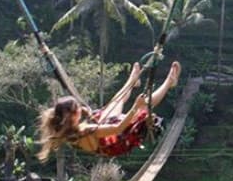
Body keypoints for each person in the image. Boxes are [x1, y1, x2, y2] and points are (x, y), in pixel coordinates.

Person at [37, 61, 181, 160]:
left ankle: (132, 82)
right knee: (143, 107)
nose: (81, 109)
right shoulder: (86, 129)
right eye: (78, 109)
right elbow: (118, 128)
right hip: (115, 143)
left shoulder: (69, 131)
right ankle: (170, 82)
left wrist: (89, 114)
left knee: (115, 102)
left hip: (104, 140)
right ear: (73, 115)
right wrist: (135, 106)